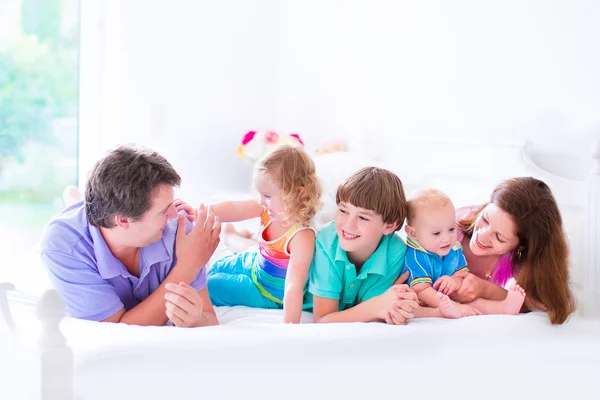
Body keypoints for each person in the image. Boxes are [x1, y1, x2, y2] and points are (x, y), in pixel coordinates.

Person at [40, 145, 221, 327]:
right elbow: (115, 329)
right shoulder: (62, 244)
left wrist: (198, 320)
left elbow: (209, 317)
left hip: (110, 220)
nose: (176, 214)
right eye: (164, 211)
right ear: (124, 220)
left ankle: (76, 198)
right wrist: (188, 266)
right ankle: (74, 198)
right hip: (89, 227)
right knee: (82, 208)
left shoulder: (180, 230)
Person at [176, 144, 323, 323]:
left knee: (210, 285)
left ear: (298, 194)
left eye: (267, 196)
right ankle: (234, 243)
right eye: (260, 194)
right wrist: (199, 211)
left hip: (266, 292)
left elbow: (294, 285)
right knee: (214, 266)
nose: (261, 201)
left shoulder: (301, 236)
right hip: (254, 264)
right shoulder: (267, 209)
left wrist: (289, 327)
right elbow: (235, 208)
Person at [452, 177, 575, 324]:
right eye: (485, 219)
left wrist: (484, 289)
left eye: (499, 237)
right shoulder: (450, 227)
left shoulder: (516, 258)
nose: (482, 237)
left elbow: (550, 303)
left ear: (521, 246)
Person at [308, 167, 419, 324]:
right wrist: (378, 306)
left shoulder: (395, 252)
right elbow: (322, 319)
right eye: (343, 211)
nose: (348, 224)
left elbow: (368, 309)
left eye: (363, 218)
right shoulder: (327, 240)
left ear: (389, 225)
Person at [402, 189, 526, 319]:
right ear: (413, 234)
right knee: (414, 308)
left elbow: (462, 275)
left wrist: (454, 281)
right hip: (427, 299)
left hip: (449, 298)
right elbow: (421, 290)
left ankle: (503, 308)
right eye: (437, 233)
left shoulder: (453, 249)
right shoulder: (416, 256)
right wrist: (452, 306)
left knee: (475, 303)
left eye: (451, 229)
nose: (446, 238)